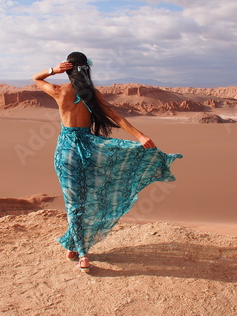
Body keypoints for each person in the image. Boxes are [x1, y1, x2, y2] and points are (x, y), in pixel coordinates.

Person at [33, 51, 182, 273]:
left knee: (75, 202)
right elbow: (115, 115)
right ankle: (81, 251)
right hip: (90, 149)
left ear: (69, 69)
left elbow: (36, 78)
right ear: (87, 69)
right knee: (84, 199)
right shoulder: (92, 94)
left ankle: (76, 246)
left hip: (65, 152)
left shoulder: (59, 91)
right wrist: (139, 136)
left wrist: (54, 70)